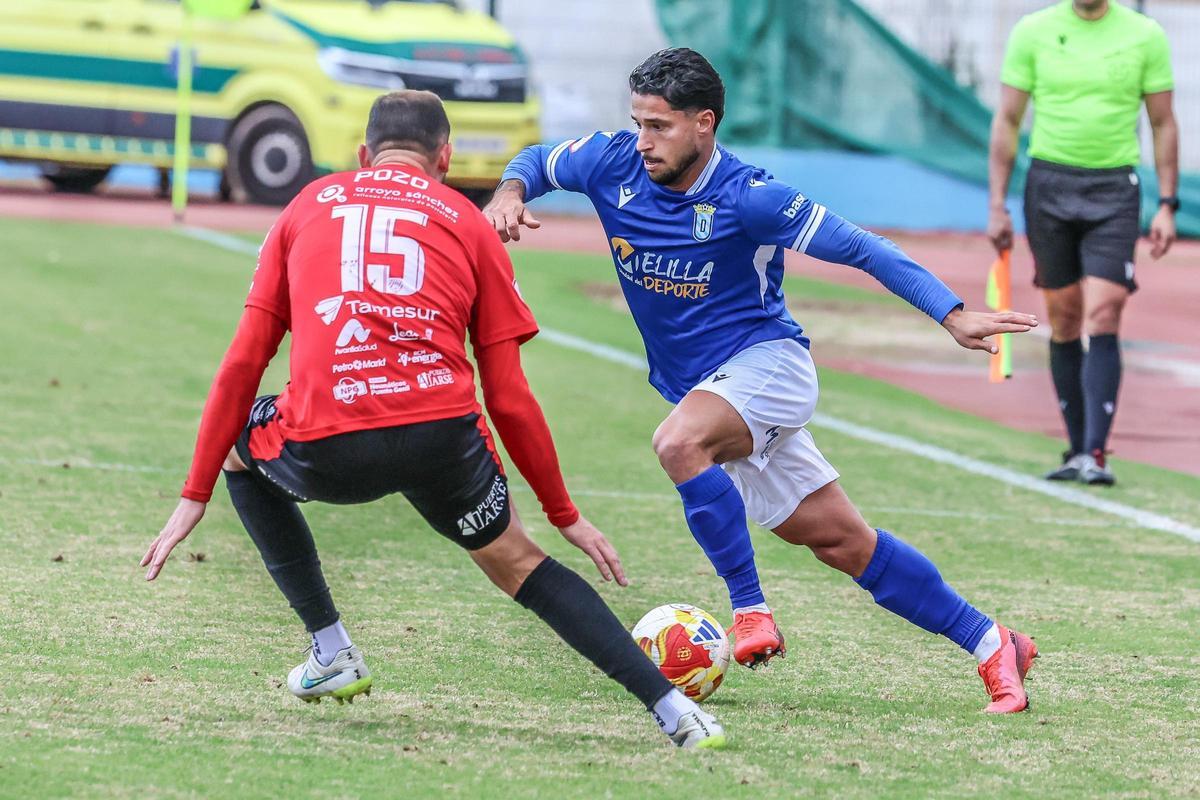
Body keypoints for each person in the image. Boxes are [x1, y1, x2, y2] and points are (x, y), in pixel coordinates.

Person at [140, 90, 726, 749]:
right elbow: (507, 397)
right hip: (441, 435)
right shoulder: (467, 221)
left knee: (241, 447)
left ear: (363, 156)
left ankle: (332, 649)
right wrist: (565, 516)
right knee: (517, 562)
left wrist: (194, 494)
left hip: (330, 441)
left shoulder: (307, 204)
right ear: (444, 158)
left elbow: (244, 359)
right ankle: (677, 712)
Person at [485, 48, 1040, 712]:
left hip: (769, 367)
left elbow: (862, 247)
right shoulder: (612, 163)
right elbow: (536, 163)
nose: (643, 141)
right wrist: (509, 196)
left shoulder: (752, 197)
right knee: (844, 543)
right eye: (638, 122)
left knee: (677, 444)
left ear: (704, 124)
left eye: (659, 126)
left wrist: (951, 314)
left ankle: (749, 609)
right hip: (712, 392)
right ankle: (993, 643)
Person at [988, 0, 1179, 486]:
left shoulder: (1144, 34)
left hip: (1115, 189)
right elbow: (1008, 120)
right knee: (1065, 318)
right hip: (1048, 186)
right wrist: (996, 203)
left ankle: (1097, 453)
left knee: (1105, 312)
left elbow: (1162, 122)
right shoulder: (1033, 31)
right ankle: (1076, 449)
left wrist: (1167, 203)